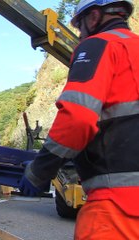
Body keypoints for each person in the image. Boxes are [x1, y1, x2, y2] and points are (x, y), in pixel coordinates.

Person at [19, 0, 139, 239]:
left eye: (80, 26)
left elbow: (78, 118)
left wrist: (39, 171)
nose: (80, 34)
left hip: (116, 208)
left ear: (94, 17)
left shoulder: (98, 46)